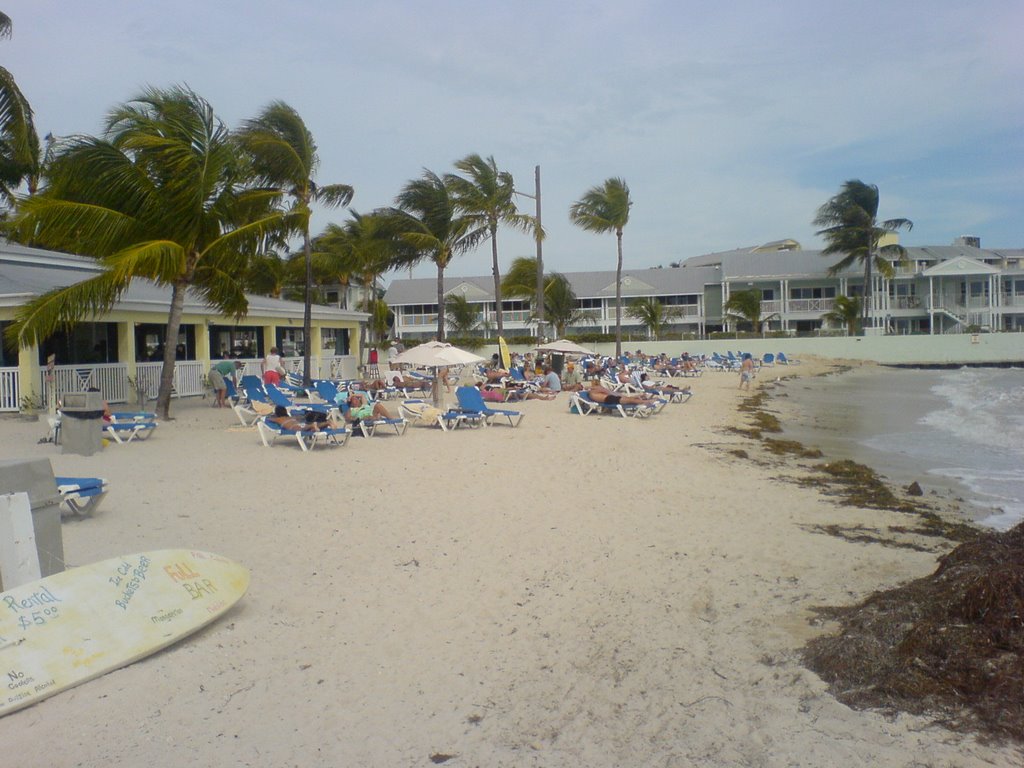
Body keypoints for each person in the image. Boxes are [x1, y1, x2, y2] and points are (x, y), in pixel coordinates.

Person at [585, 383, 660, 407]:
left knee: (628, 399)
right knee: (629, 400)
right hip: (609, 399)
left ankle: (639, 397)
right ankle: (646, 402)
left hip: (609, 398)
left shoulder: (593, 392)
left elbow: (604, 390)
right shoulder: (593, 392)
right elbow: (604, 390)